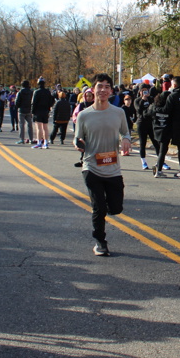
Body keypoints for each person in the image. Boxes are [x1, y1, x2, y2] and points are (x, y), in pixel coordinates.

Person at [73, 73, 131, 257]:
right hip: (91, 166)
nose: (103, 90)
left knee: (116, 208)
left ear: (111, 91)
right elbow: (77, 137)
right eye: (100, 86)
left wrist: (126, 140)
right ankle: (100, 242)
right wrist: (78, 143)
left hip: (113, 168)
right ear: (93, 90)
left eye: (107, 86)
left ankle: (106, 205)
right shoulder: (84, 115)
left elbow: (126, 133)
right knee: (99, 208)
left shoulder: (118, 112)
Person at [30, 78, 53, 148]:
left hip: (38, 111)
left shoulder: (36, 92)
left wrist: (32, 112)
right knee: (45, 127)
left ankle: (39, 142)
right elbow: (51, 101)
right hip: (45, 111)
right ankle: (45, 142)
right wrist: (48, 107)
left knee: (39, 128)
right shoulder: (47, 92)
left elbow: (33, 103)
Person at [15, 80, 34, 144]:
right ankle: (31, 139)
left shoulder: (20, 92)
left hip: (21, 110)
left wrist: (18, 106)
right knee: (30, 125)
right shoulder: (31, 92)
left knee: (21, 125)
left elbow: (17, 102)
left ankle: (22, 139)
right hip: (29, 110)